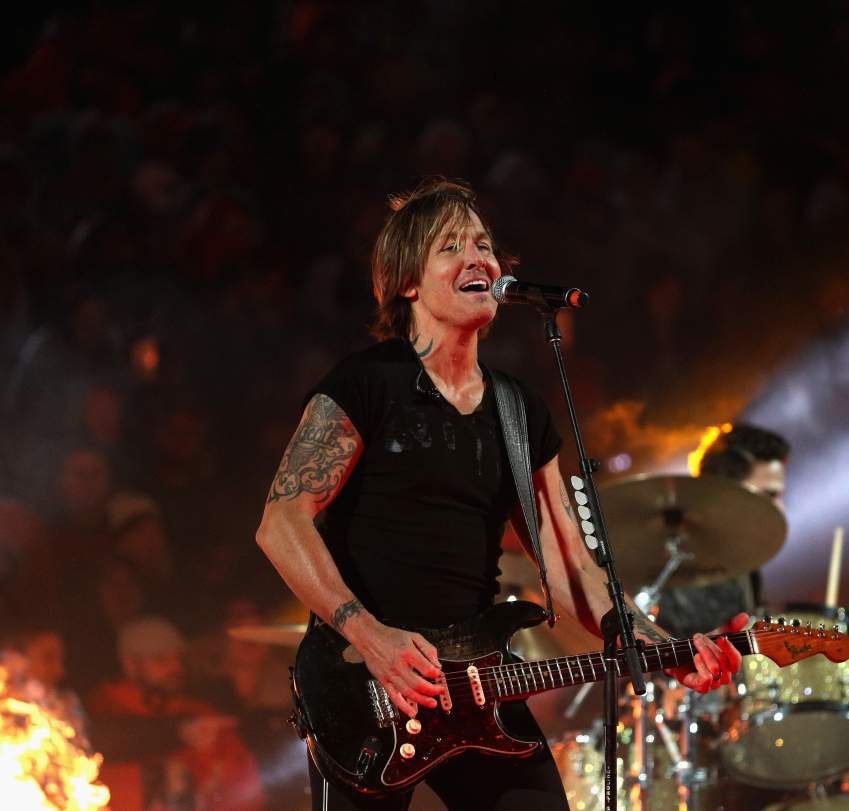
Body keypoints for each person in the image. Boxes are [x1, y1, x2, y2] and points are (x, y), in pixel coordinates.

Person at [254, 178, 744, 811]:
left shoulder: (518, 412)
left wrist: (660, 647)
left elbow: (571, 573)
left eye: (483, 245)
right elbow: (281, 522)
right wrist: (372, 637)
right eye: (451, 247)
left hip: (481, 681)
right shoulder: (366, 383)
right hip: (364, 684)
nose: (479, 259)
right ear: (409, 281)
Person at [87, 615, 265, 811]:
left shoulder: (196, 712)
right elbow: (114, 738)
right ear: (131, 665)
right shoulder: (103, 709)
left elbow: (242, 785)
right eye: (161, 660)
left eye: (178, 659)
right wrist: (180, 732)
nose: (176, 668)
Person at [655, 423, 790, 639]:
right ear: (726, 494)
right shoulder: (675, 563)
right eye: (768, 495)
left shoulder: (746, 564)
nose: (781, 509)